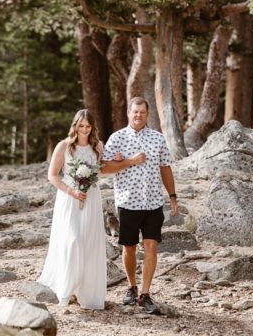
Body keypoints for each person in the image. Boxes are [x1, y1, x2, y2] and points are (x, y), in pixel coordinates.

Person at [100, 97, 179, 314]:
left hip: (153, 201)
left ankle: (145, 294)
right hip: (128, 202)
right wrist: (129, 161)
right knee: (129, 247)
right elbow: (104, 168)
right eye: (135, 112)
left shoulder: (157, 138)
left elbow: (165, 168)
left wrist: (172, 195)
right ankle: (131, 287)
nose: (138, 115)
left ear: (147, 114)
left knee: (151, 245)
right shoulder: (117, 138)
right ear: (128, 113)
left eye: (142, 112)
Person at [37, 109, 118, 310]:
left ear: (92, 127)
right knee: (72, 241)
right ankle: (65, 289)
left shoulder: (98, 146)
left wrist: (116, 160)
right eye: (81, 125)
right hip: (68, 199)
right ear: (75, 125)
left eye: (88, 126)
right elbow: (52, 175)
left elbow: (101, 169)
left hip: (91, 198)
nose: (84, 129)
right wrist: (72, 191)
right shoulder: (64, 146)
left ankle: (86, 293)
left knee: (88, 243)